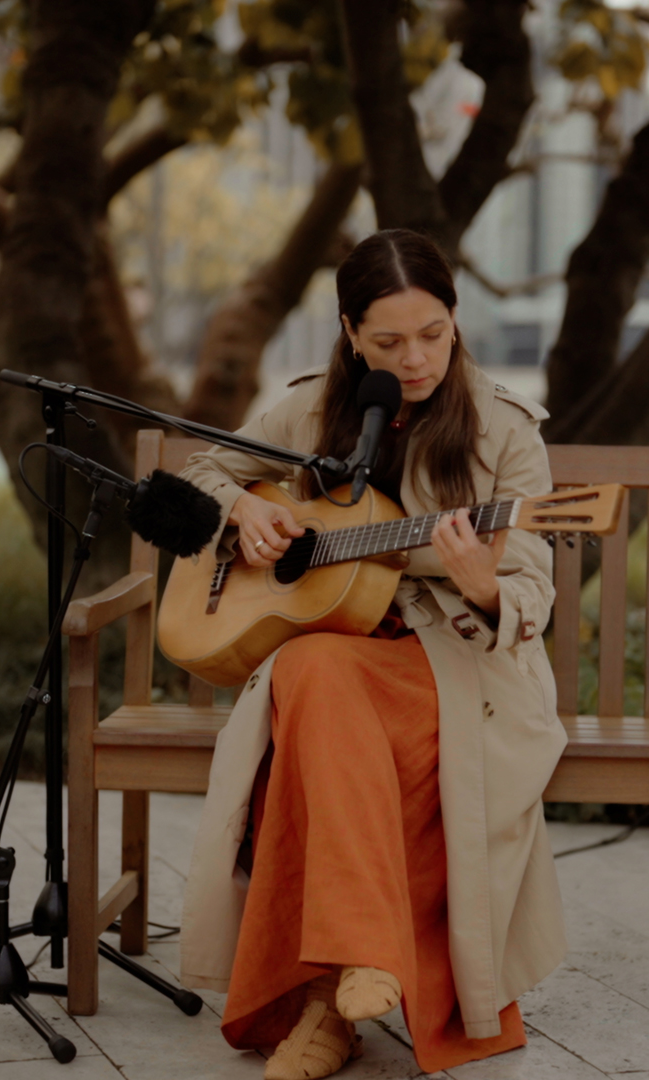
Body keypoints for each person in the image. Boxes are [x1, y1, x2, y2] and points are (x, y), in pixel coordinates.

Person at [176, 229, 568, 1080]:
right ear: (351, 332)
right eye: (389, 341)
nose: (416, 357)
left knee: (321, 705)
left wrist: (483, 584)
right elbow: (201, 469)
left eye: (432, 333)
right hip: (345, 656)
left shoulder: (503, 429)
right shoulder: (314, 409)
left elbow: (532, 595)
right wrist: (243, 510)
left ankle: (324, 1008)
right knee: (311, 672)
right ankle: (354, 968)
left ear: (456, 319)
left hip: (462, 666)